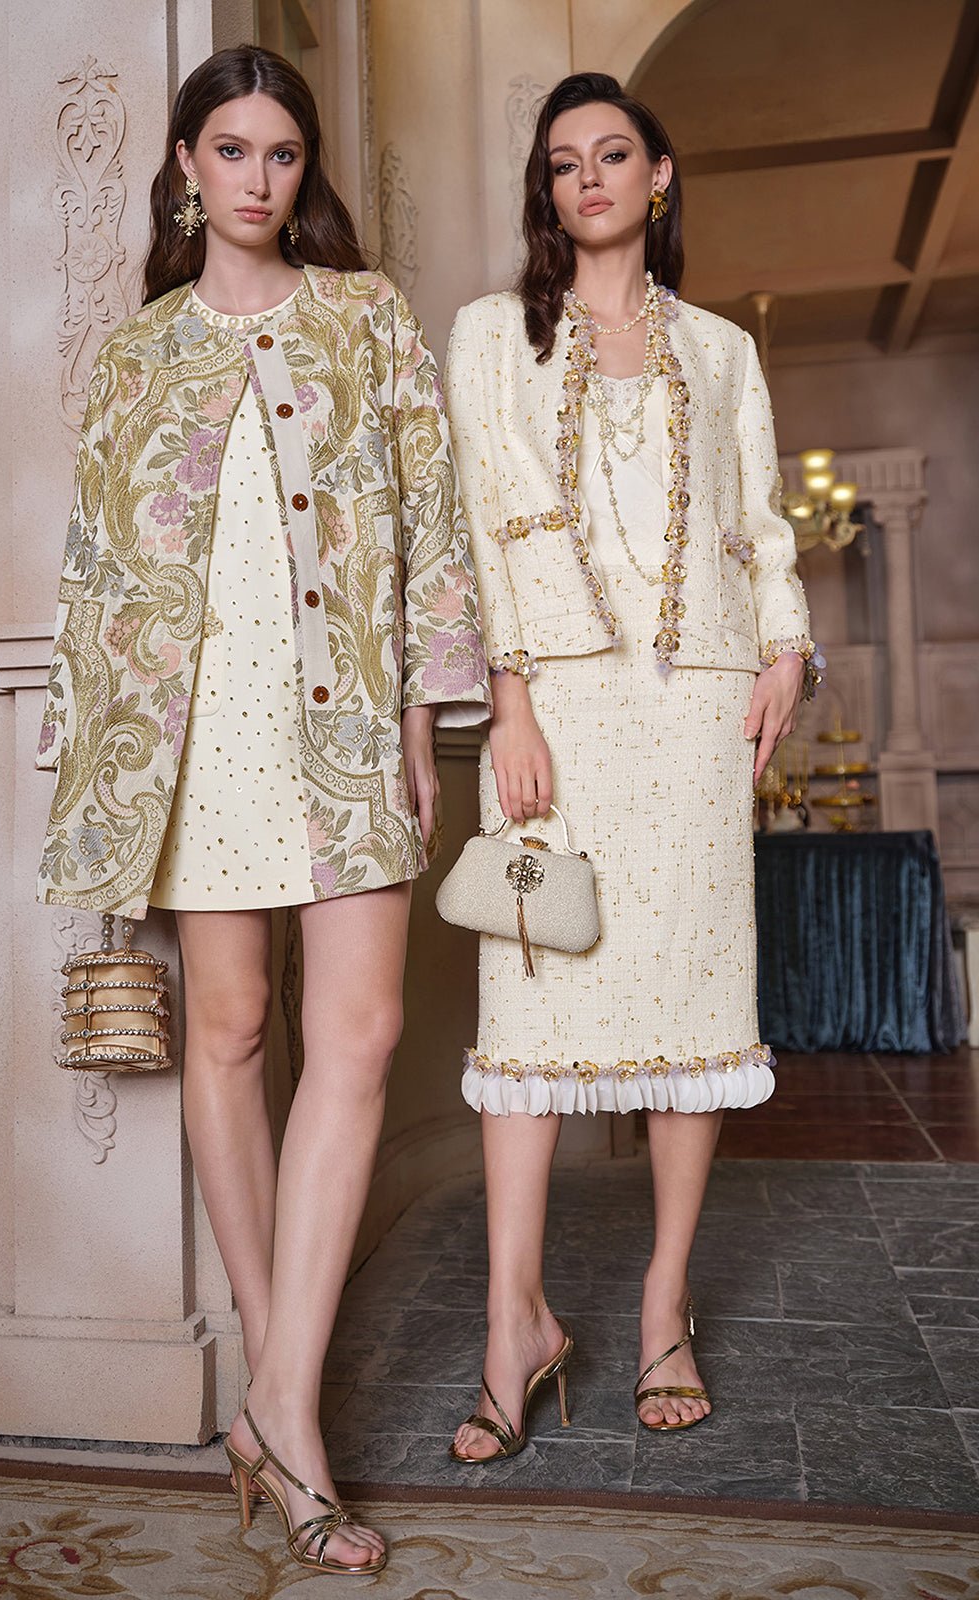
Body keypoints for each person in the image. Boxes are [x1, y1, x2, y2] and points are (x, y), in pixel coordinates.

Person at [35, 44, 489, 1573]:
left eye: (281, 153)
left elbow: (432, 527)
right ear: (185, 167)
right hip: (192, 730)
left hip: (344, 717)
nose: (254, 176)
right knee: (227, 1032)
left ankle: (275, 1401)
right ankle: (287, 1415)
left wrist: (426, 717)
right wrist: (100, 786)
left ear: (305, 175)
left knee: (353, 1035)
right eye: (228, 149)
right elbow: (96, 587)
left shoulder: (367, 321)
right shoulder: (135, 356)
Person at [442, 71, 819, 1456]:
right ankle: (514, 1323)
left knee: (695, 1016)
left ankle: (665, 1309)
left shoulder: (721, 350)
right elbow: (478, 527)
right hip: (561, 717)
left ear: (660, 176)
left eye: (613, 156)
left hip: (700, 709)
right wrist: (511, 705)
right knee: (530, 1016)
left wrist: (787, 650)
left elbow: (761, 520)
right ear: (545, 193)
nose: (587, 178)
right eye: (561, 164)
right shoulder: (491, 334)